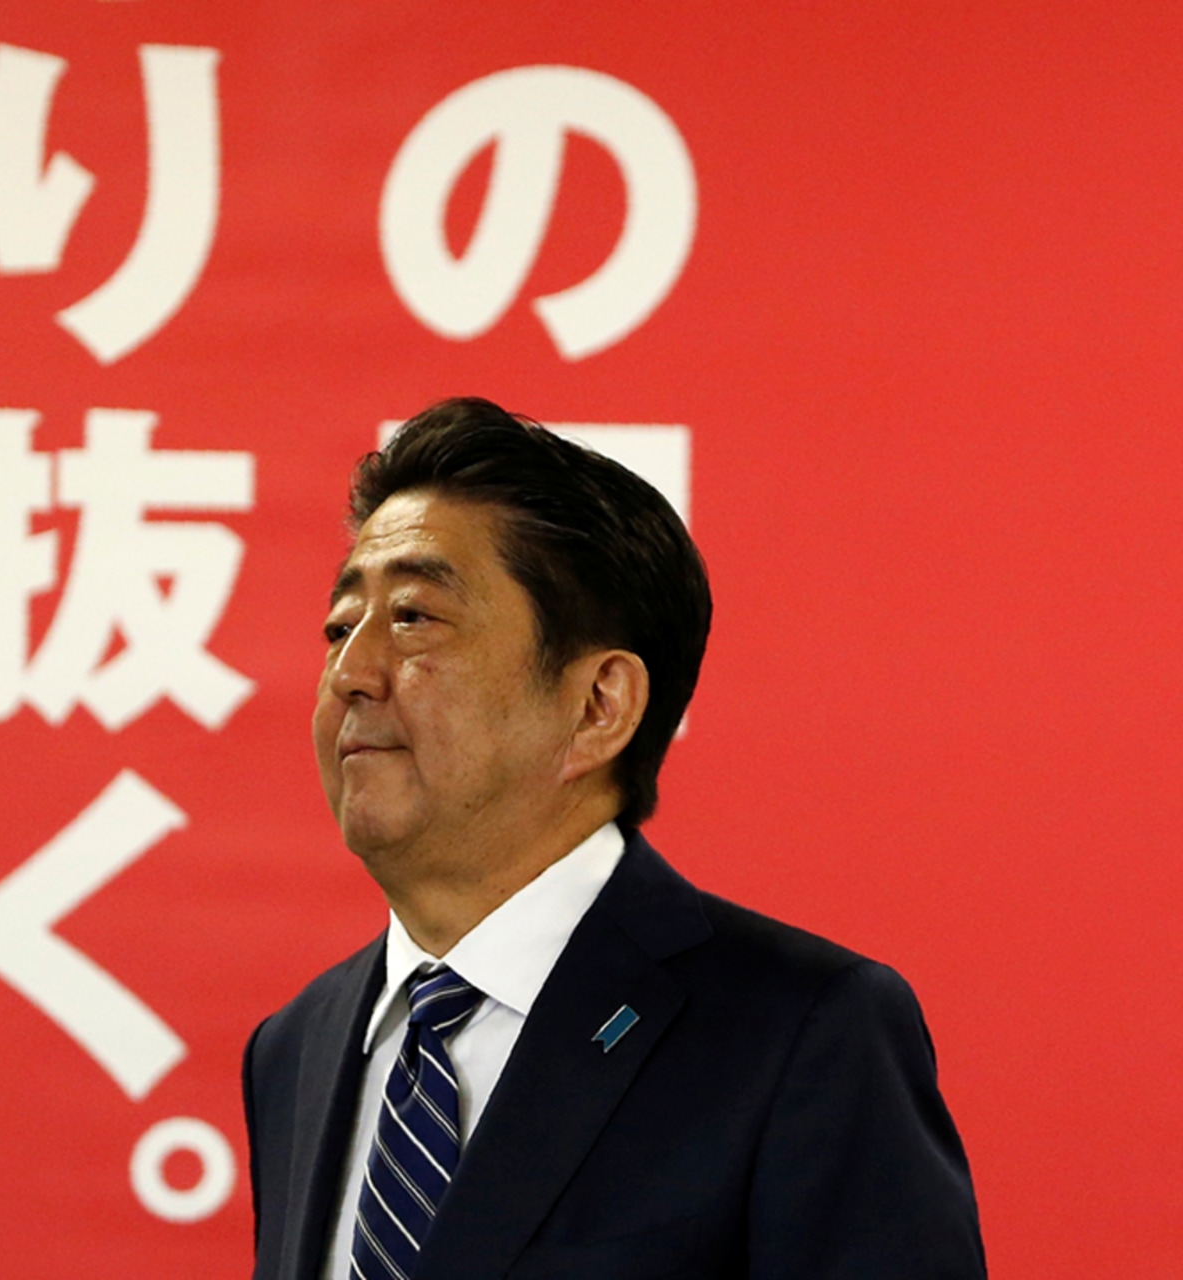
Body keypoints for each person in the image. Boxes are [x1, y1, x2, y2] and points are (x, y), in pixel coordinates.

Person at [241, 398, 984, 1279]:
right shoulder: (298, 1044)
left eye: (413, 618)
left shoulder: (801, 1033)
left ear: (599, 706)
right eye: (338, 627)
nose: (348, 674)